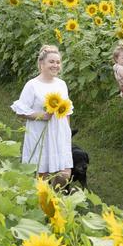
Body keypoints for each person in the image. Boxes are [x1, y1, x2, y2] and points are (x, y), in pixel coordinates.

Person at [11, 45, 72, 187]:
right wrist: (42, 115)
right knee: (41, 177)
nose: (55, 65)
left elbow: (67, 111)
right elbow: (20, 111)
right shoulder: (32, 85)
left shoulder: (62, 84)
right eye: (51, 62)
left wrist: (67, 133)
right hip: (40, 134)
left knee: (64, 175)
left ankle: (54, 197)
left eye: (58, 62)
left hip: (59, 134)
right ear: (41, 64)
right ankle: (41, 203)